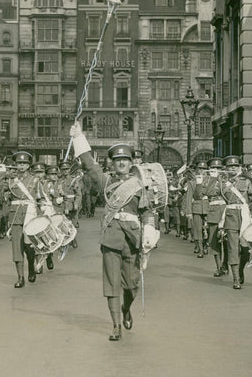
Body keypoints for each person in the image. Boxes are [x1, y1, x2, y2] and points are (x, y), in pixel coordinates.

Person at [69, 122, 158, 341]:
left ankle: (126, 308)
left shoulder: (139, 185)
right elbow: (90, 165)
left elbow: (147, 211)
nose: (121, 164)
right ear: (113, 163)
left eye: (125, 160)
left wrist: (149, 228)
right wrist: (79, 137)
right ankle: (116, 325)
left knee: (132, 285)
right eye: (117, 160)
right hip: (110, 238)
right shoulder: (106, 181)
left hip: (132, 239)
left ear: (131, 163)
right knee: (112, 284)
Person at [2, 150, 43, 288]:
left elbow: (40, 199)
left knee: (29, 246)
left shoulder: (35, 180)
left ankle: (31, 266)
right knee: (16, 249)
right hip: (15, 217)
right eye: (19, 163)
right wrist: (2, 175)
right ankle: (20, 277)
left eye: (24, 163)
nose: (21, 166)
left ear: (28, 165)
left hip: (30, 217)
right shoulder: (10, 180)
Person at [218, 156, 252, 289]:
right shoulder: (222, 182)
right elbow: (212, 193)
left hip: (244, 216)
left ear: (239, 167)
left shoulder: (246, 181)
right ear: (226, 168)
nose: (233, 168)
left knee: (245, 248)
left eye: (235, 166)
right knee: (232, 248)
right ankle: (235, 278)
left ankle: (240, 270)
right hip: (230, 216)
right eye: (230, 166)